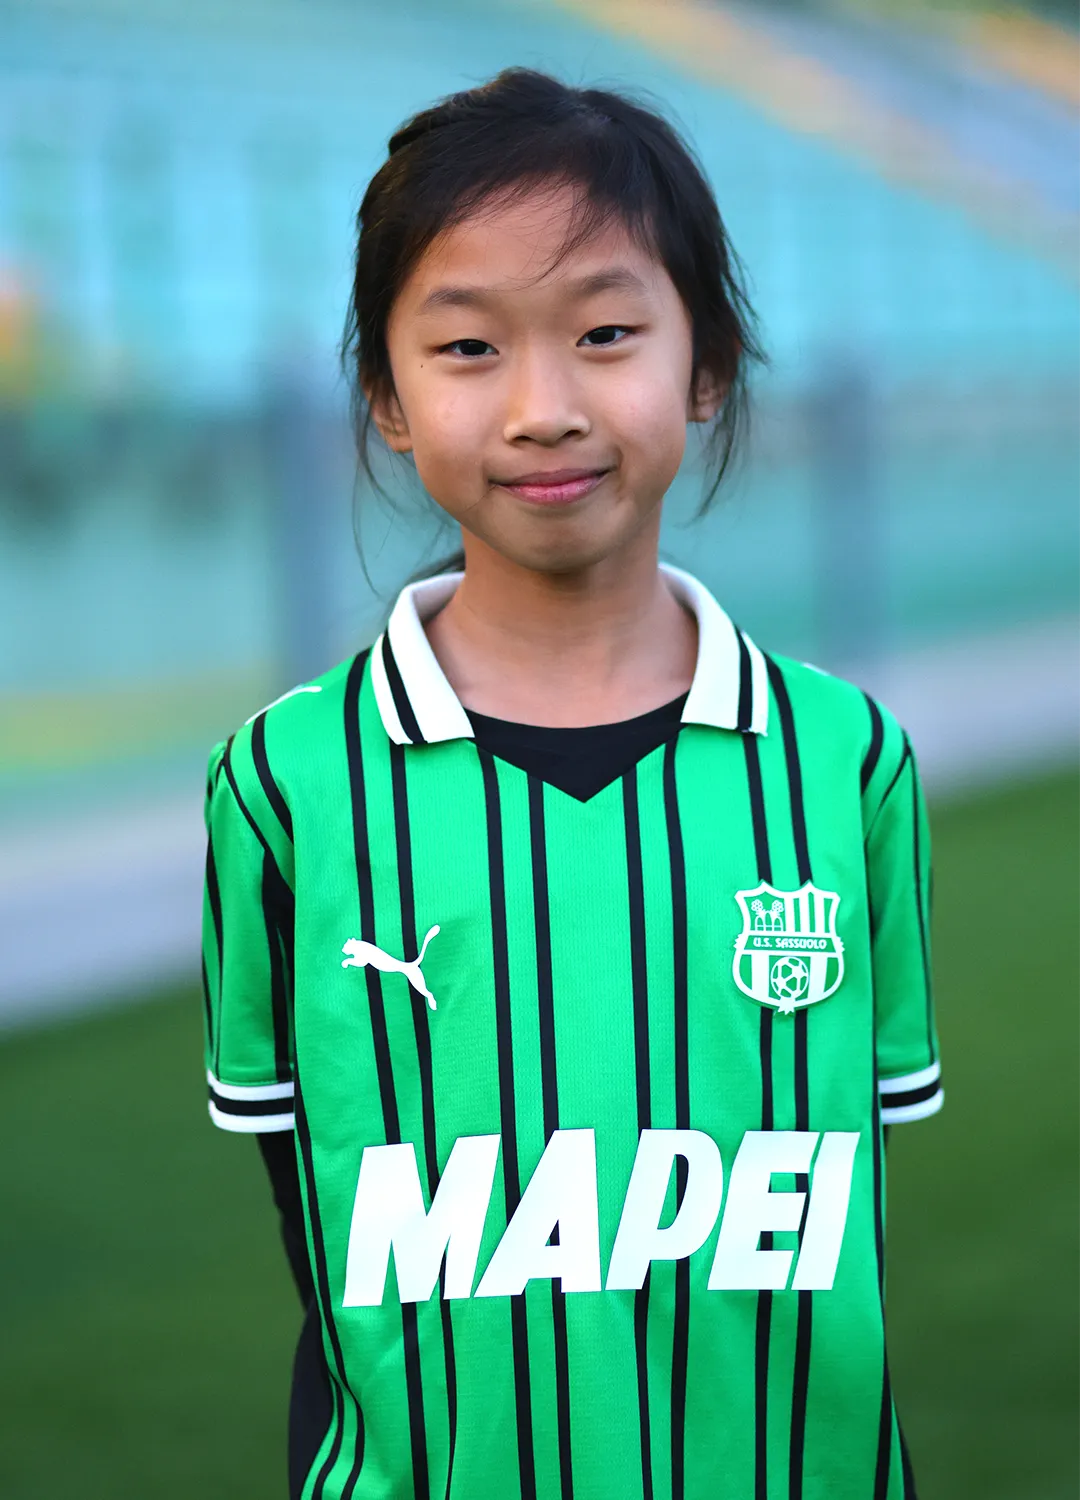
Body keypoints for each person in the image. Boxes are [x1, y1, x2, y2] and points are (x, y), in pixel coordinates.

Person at [201, 68, 942, 1500]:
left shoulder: (849, 761)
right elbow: (321, 1229)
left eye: (606, 333)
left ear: (707, 363)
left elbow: (839, 1198)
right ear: (387, 400)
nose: (543, 408)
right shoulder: (285, 786)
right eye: (468, 347)